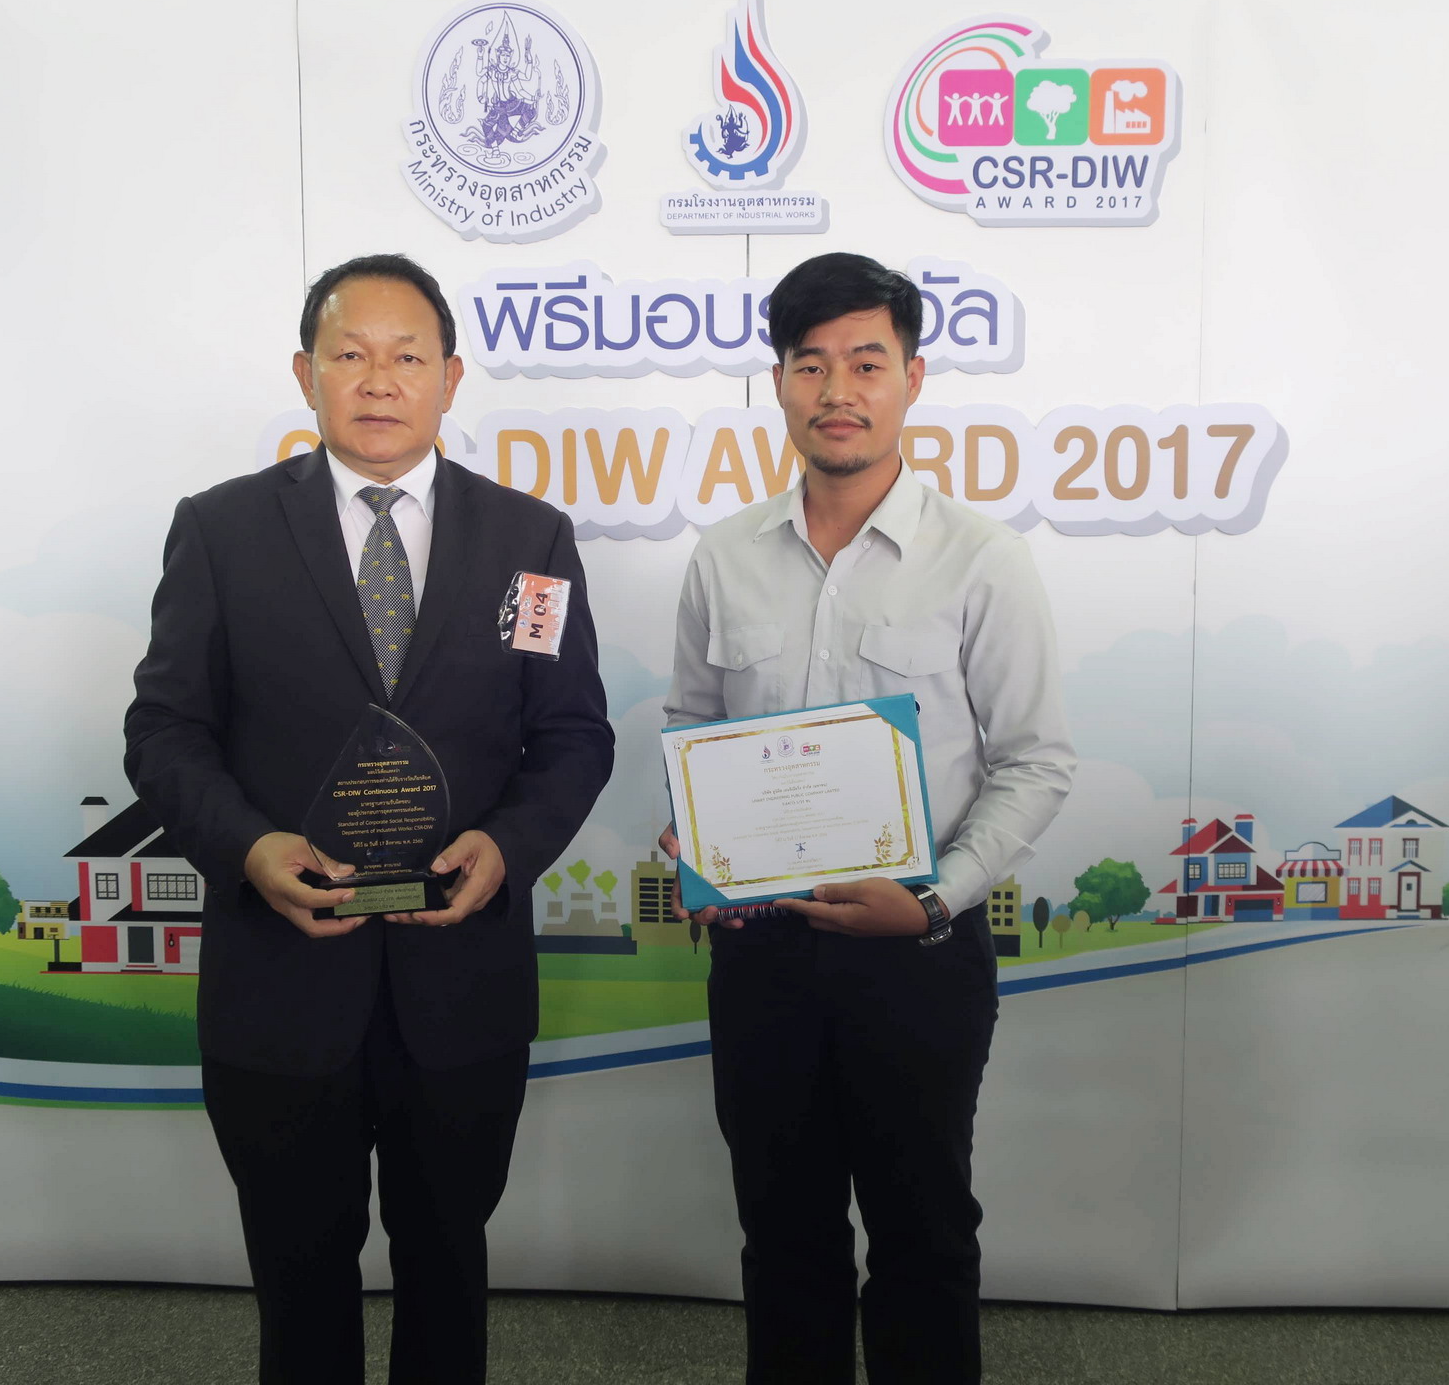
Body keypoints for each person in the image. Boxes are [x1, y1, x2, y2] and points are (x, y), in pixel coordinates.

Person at [126, 253, 614, 1385]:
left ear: (451, 377)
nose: (379, 380)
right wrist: (249, 848)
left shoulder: (529, 541)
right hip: (281, 979)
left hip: (461, 978)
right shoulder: (223, 531)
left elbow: (573, 736)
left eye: (407, 356)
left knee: (448, 1266)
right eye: (350, 354)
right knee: (298, 1276)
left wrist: (511, 846)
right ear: (307, 375)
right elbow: (164, 731)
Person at [660, 252, 1074, 1385]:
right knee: (782, 1235)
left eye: (866, 362)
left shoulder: (981, 561)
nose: (836, 390)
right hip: (762, 955)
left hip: (919, 955)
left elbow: (1036, 762)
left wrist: (934, 899)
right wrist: (692, 830)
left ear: (912, 378)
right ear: (780, 384)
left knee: (924, 1235)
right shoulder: (723, 557)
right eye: (810, 365)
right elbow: (693, 722)